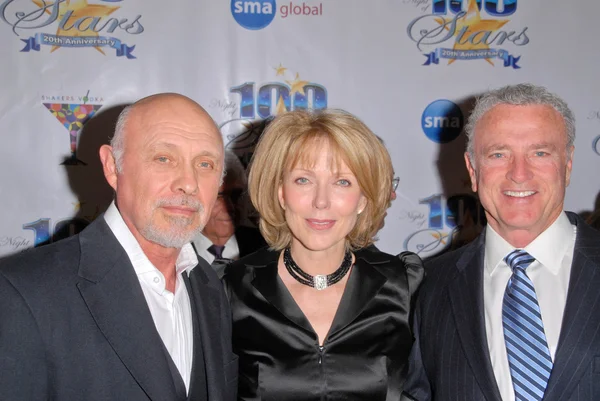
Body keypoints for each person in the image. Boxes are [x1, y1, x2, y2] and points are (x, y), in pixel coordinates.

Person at [0, 93, 238, 401]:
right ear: (113, 167)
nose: (189, 183)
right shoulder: (22, 292)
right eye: (164, 158)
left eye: (205, 164)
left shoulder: (210, 286)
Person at [402, 84, 600, 401]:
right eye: (498, 154)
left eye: (540, 153)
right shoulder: (428, 288)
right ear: (472, 169)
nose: (519, 174)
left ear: (568, 163)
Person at [223, 108, 424, 400]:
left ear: (362, 199)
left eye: (342, 182)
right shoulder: (231, 289)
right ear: (281, 192)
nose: (321, 201)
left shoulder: (405, 287)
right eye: (303, 180)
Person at [192, 150, 266, 278]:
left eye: (236, 195)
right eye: (219, 196)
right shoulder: (172, 249)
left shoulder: (267, 248)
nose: (230, 206)